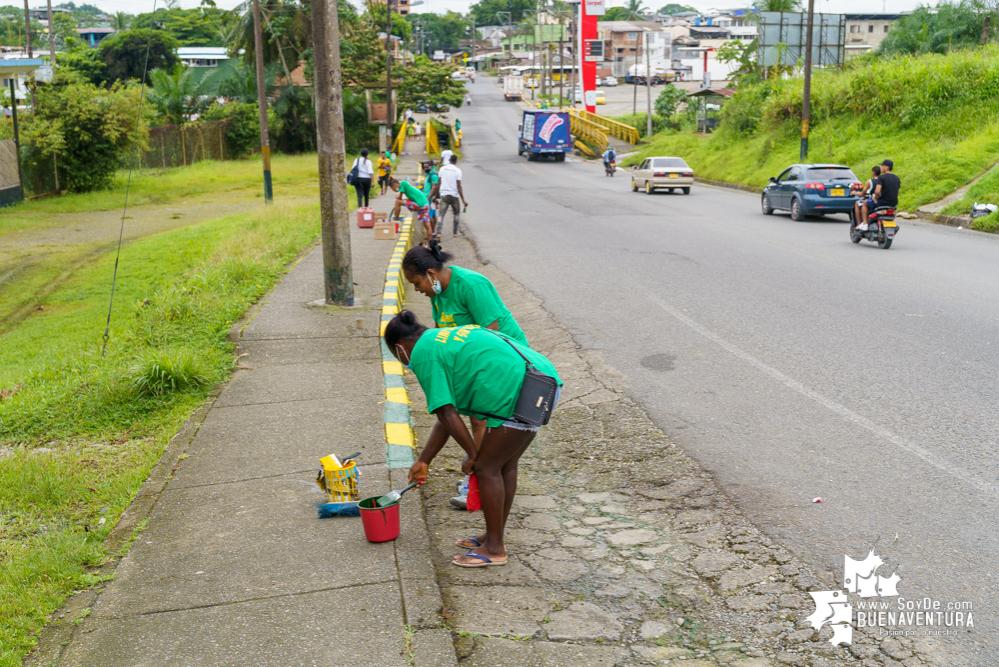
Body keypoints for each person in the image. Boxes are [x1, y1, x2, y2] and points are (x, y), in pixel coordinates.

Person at [385, 311, 561, 567]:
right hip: (543, 379)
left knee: (486, 468)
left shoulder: (423, 354)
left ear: (399, 348)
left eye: (395, 355)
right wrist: (424, 460)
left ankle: (494, 549)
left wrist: (473, 453)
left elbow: (446, 412)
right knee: (505, 466)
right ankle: (493, 536)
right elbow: (446, 415)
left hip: (522, 389)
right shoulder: (441, 339)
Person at [432, 154, 468, 238]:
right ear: (456, 161)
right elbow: (459, 186)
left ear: (449, 160)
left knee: (441, 215)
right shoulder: (458, 171)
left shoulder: (442, 169)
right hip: (454, 195)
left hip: (444, 195)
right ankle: (455, 232)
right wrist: (463, 200)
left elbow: (438, 184)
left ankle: (439, 233)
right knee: (456, 213)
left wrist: (435, 196)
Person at [389, 177, 433, 242]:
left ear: (395, 185)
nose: (394, 191)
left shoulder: (403, 183)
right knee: (427, 224)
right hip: (424, 204)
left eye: (393, 189)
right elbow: (409, 199)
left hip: (420, 204)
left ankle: (396, 222)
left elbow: (399, 198)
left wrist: (398, 197)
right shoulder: (406, 188)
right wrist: (400, 199)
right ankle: (430, 244)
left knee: (397, 202)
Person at [861, 159, 901, 224]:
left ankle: (865, 223)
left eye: (882, 166)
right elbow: (897, 192)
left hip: (881, 202)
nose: (880, 168)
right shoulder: (897, 178)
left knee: (865, 203)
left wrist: (875, 197)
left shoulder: (881, 177)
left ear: (886, 167)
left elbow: (877, 191)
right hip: (893, 203)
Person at [421, 161, 440, 234]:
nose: (425, 169)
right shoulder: (429, 174)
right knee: (433, 214)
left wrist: (428, 198)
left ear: (431, 166)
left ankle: (431, 232)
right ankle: (433, 232)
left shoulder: (433, 175)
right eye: (424, 167)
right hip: (429, 198)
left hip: (430, 199)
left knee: (430, 216)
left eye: (427, 167)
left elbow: (434, 188)